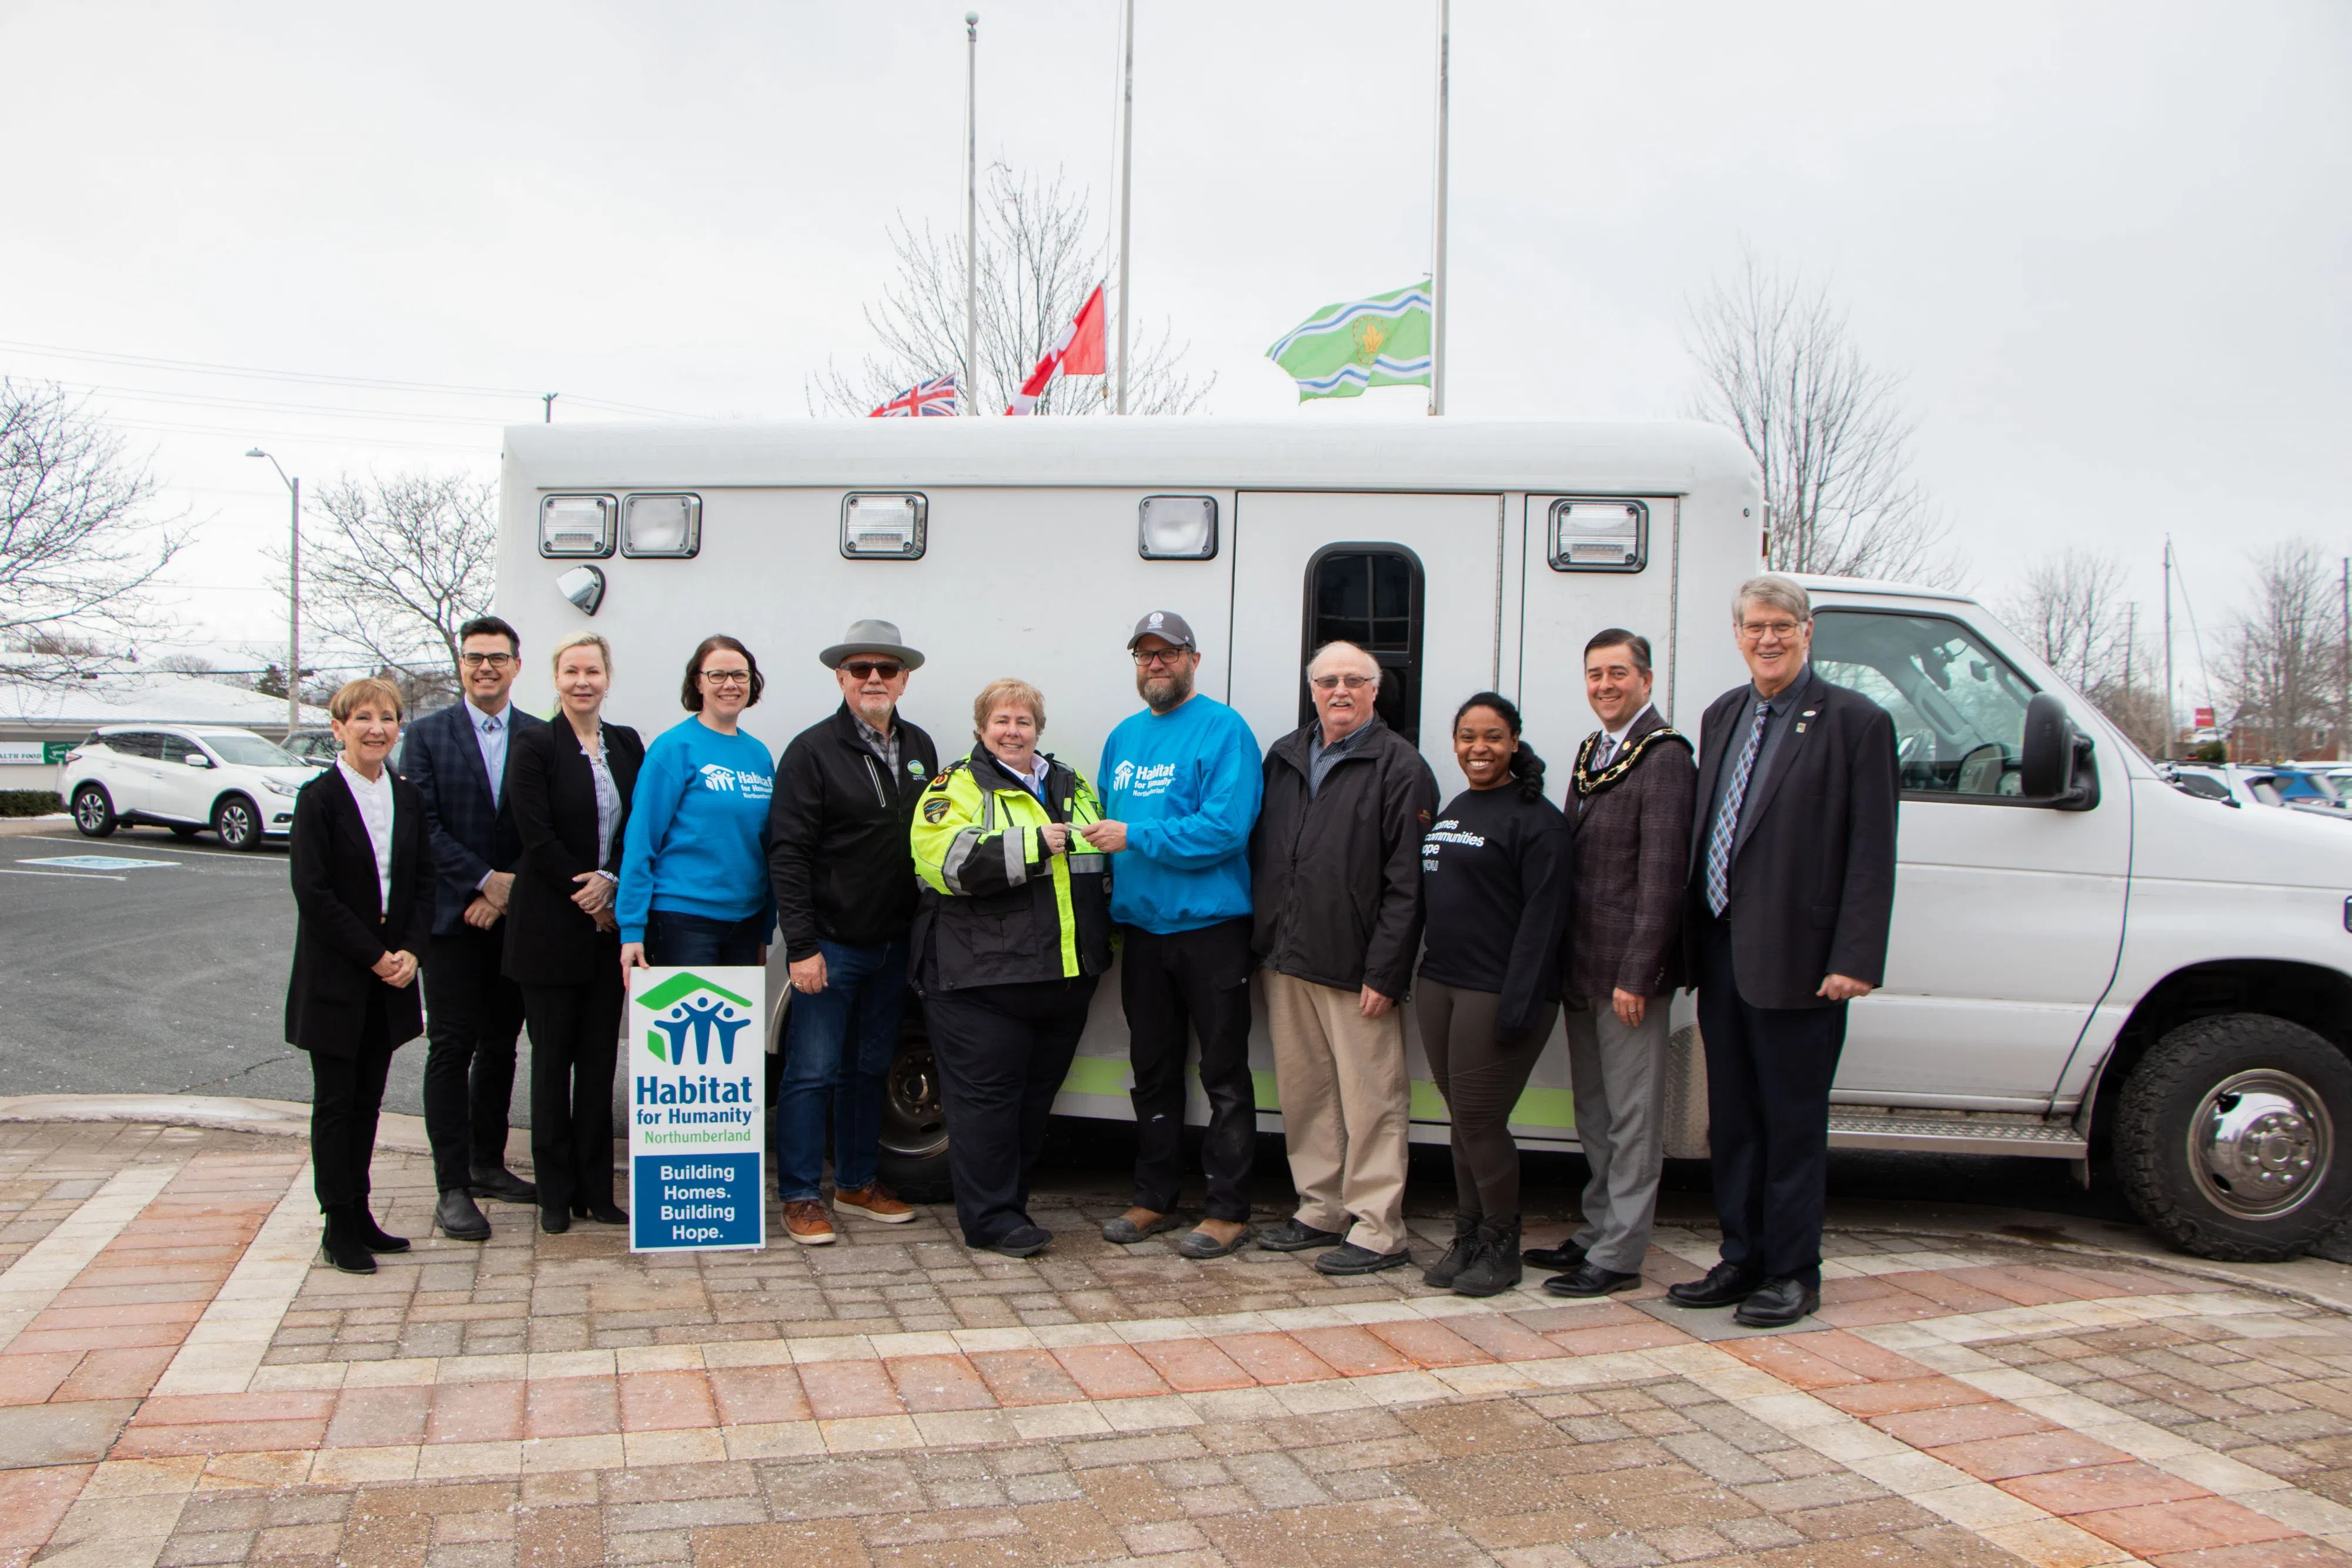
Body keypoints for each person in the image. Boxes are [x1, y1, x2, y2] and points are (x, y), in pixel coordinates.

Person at [1668, 576, 1899, 1328]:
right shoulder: (1721, 715)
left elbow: (1871, 851)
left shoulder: (1854, 722)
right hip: (1722, 950)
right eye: (1753, 626)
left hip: (1802, 963)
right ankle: (1742, 1257)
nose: (1766, 639)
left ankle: (1794, 1271)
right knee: (1732, 1120)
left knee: (1790, 1123)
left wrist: (1855, 956)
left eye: (1781, 626)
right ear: (1736, 635)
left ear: (1807, 632)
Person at [1250, 641, 1439, 1275]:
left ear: (1374, 690)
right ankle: (1319, 1208)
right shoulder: (1283, 757)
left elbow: (1407, 883)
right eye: (1326, 680)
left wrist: (1386, 971)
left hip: (1357, 966)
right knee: (1306, 1095)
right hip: (1286, 955)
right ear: (1311, 690)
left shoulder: (1400, 766)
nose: (1339, 691)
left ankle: (1379, 1228)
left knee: (1371, 1099)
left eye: (1353, 681)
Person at [909, 678, 1112, 1258]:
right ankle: (991, 1222)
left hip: (1062, 980)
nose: (1013, 731)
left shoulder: (1072, 786)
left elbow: (1097, 874)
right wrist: (1032, 842)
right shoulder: (956, 785)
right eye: (1001, 721)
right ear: (981, 730)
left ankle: (1011, 1209)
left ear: (1037, 730)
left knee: (1028, 1108)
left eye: (1023, 722)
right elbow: (941, 860)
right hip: (981, 982)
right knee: (985, 1110)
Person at [1084, 611, 1264, 1261]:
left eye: (1167, 653)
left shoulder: (1224, 730)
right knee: (1152, 1071)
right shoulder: (1122, 739)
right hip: (1143, 932)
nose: (1155, 664)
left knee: (1223, 1074)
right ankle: (1154, 1197)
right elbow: (1102, 822)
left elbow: (1225, 829)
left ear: (1194, 658)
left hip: (1212, 930)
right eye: (1144, 655)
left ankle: (1227, 1210)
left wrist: (1137, 836)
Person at [1528, 630, 1695, 1298]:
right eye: (1595, 674)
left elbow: (1662, 877)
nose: (1605, 685)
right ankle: (1598, 1227)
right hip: (1581, 963)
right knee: (1594, 1112)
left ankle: (1621, 1254)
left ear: (1646, 681)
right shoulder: (1594, 751)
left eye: (1618, 673)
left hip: (1626, 975)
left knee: (1632, 1118)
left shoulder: (1664, 757)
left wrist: (1640, 971)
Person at [766, 619, 940, 1246]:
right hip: (832, 945)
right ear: (840, 678)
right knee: (810, 1073)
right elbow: (787, 854)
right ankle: (800, 1196)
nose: (874, 679)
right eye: (861, 669)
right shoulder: (811, 751)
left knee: (868, 1068)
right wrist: (803, 946)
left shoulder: (920, 745)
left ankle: (858, 1182)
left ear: (904, 679)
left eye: (886, 670)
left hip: (894, 943)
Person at [1415, 694, 1571, 1296]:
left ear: (1513, 743)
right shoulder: (1457, 805)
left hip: (1497, 990)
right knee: (1462, 1122)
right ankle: (1470, 1235)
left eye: (1492, 737)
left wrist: (1519, 1002)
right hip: (1441, 984)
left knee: (1481, 1122)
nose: (1478, 749)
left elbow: (1544, 922)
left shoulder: (1537, 820)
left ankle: (1502, 1246)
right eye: (1466, 737)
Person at [285, 678, 435, 1275]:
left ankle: (363, 1212)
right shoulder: (318, 798)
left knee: (369, 1102)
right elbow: (313, 893)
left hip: (393, 976)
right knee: (337, 1104)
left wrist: (412, 953)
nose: (377, 727)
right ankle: (337, 1222)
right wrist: (374, 955)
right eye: (364, 717)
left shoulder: (408, 795)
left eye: (388, 717)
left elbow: (423, 884)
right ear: (338, 726)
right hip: (338, 977)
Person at [405, 615, 544, 1242]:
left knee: (501, 1045)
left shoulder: (540, 737)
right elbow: (423, 825)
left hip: (514, 920)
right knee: (452, 1046)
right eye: (473, 658)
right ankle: (452, 1185)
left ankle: (489, 1164)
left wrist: (508, 888)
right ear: (460, 666)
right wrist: (480, 882)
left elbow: (548, 829)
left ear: (517, 665)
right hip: (453, 921)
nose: (485, 667)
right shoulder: (427, 736)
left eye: (497, 657)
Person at [505, 632, 643, 1235]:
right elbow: (534, 833)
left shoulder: (627, 744)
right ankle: (554, 1195)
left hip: (607, 927)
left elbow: (638, 823)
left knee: (596, 1066)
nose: (582, 681)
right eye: (571, 671)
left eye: (592, 670)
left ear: (608, 677)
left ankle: (596, 1190)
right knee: (552, 1064)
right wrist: (583, 889)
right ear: (555, 678)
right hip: (549, 929)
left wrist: (611, 883)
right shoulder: (534, 745)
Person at [618, 636, 777, 970]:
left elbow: (767, 846)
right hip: (683, 922)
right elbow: (641, 839)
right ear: (698, 683)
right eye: (717, 675)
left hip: (746, 923)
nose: (730, 685)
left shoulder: (759, 755)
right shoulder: (674, 748)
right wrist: (631, 928)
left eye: (740, 675)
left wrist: (765, 928)